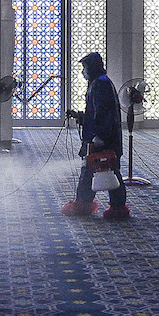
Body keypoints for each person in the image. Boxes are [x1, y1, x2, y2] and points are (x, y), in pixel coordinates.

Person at [61, 52, 130, 219]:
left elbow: (103, 114)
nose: (83, 72)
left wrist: (99, 136)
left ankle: (83, 205)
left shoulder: (100, 84)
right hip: (102, 137)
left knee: (97, 170)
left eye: (84, 68)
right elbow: (95, 113)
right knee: (106, 170)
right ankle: (116, 207)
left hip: (102, 139)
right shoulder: (98, 82)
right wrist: (79, 116)